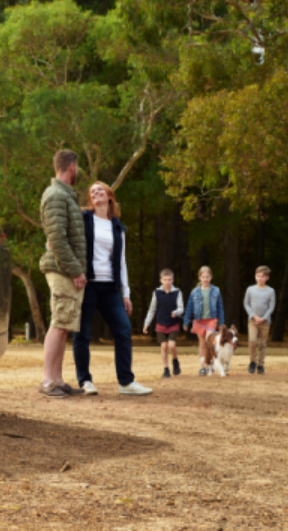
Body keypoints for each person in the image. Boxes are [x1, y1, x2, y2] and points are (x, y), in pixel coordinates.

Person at [73, 181, 152, 396]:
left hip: (110, 287)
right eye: (93, 191)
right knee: (82, 333)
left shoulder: (117, 226)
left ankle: (126, 382)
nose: (96, 192)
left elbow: (121, 261)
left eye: (100, 189)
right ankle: (85, 381)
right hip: (87, 284)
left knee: (124, 329)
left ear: (109, 196)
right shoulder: (83, 218)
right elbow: (66, 235)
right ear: (90, 199)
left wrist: (126, 293)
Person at [37, 149, 88, 398]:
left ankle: (58, 380)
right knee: (58, 324)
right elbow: (57, 238)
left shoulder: (65, 195)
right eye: (77, 167)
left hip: (66, 269)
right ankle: (47, 381)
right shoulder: (56, 194)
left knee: (64, 324)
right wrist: (76, 270)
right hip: (62, 269)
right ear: (71, 167)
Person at [183, 266, 225, 376]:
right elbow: (189, 307)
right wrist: (186, 321)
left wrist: (221, 323)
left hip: (211, 320)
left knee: (209, 342)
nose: (205, 279)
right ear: (199, 278)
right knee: (202, 344)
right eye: (203, 277)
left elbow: (220, 307)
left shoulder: (216, 290)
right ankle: (202, 367)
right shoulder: (194, 292)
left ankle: (210, 364)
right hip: (199, 321)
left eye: (207, 277)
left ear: (211, 277)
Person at [144, 269, 185, 378]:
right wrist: (146, 324)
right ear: (161, 280)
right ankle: (166, 369)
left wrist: (177, 312)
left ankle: (175, 361)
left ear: (173, 280)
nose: (167, 282)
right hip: (160, 324)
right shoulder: (156, 293)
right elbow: (152, 310)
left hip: (173, 324)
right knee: (164, 346)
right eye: (165, 279)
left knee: (171, 345)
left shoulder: (177, 292)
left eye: (169, 279)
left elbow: (181, 307)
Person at [244, 265, 275, 375]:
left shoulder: (270, 291)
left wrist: (264, 318)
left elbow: (271, 307)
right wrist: (254, 316)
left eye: (262, 276)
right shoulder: (250, 289)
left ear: (267, 277)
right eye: (258, 276)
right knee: (252, 341)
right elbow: (246, 304)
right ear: (255, 276)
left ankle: (261, 365)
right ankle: (252, 362)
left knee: (262, 343)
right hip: (253, 321)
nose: (260, 278)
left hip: (265, 322)